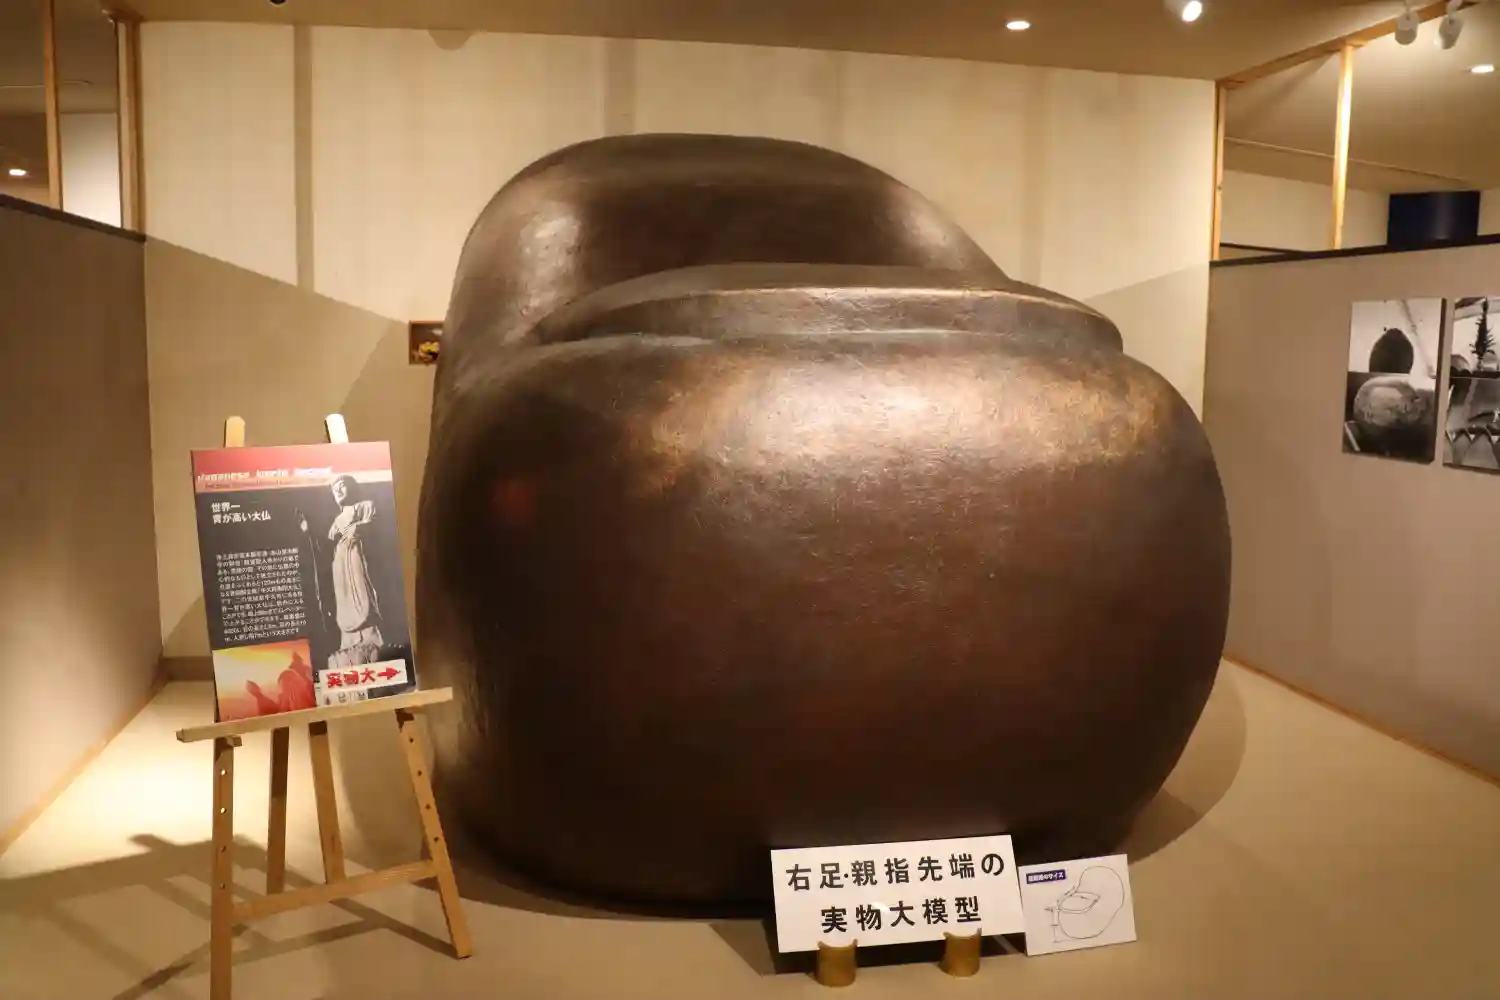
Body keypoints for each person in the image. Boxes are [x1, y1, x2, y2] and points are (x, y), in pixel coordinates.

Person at [325, 474, 385, 667]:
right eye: (334, 490)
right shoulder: (336, 521)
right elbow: (329, 540)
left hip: (358, 556)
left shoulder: (365, 506)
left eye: (341, 486)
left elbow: (376, 525)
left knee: (363, 589)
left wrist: (356, 529)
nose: (338, 491)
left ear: (352, 487)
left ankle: (371, 635)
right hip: (341, 563)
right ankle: (349, 639)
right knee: (344, 598)